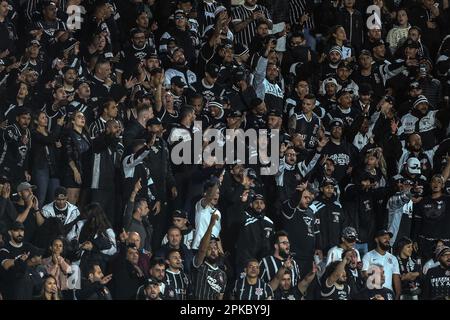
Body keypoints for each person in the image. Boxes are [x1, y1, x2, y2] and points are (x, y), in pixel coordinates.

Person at [191, 212, 226, 300]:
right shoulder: (199, 264)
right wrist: (211, 225)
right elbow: (202, 250)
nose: (213, 251)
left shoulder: (222, 274)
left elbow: (220, 297)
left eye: (215, 248)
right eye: (209, 248)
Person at [362, 230, 401, 299]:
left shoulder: (393, 258)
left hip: (389, 295)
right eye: (385, 238)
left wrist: (397, 295)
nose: (387, 240)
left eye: (389, 239)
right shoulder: (368, 256)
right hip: (373, 294)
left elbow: (396, 279)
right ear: (376, 240)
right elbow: (364, 275)